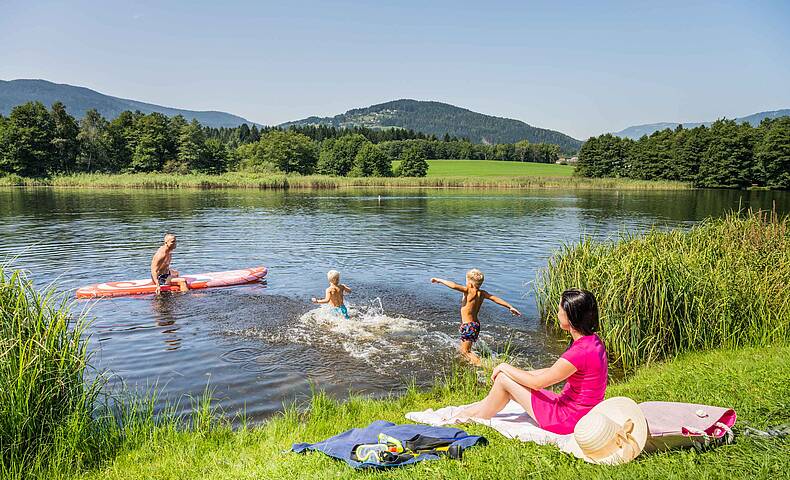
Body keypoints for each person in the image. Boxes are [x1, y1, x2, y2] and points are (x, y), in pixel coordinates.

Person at [451, 289, 607, 435]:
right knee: (507, 378)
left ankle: (475, 419)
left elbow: (538, 383)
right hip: (579, 412)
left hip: (566, 419)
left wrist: (504, 367)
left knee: (504, 380)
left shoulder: (579, 352)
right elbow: (553, 371)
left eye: (560, 310)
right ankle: (472, 412)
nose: (558, 313)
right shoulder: (592, 341)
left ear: (571, 316)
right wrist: (515, 375)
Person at [431, 269, 521, 366]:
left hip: (468, 326)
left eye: (466, 281)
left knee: (465, 352)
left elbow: (453, 285)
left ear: (470, 283)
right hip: (476, 325)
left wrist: (439, 280)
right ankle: (473, 365)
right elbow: (495, 298)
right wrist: (510, 306)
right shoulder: (482, 293)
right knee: (464, 350)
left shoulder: (468, 291)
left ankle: (485, 366)